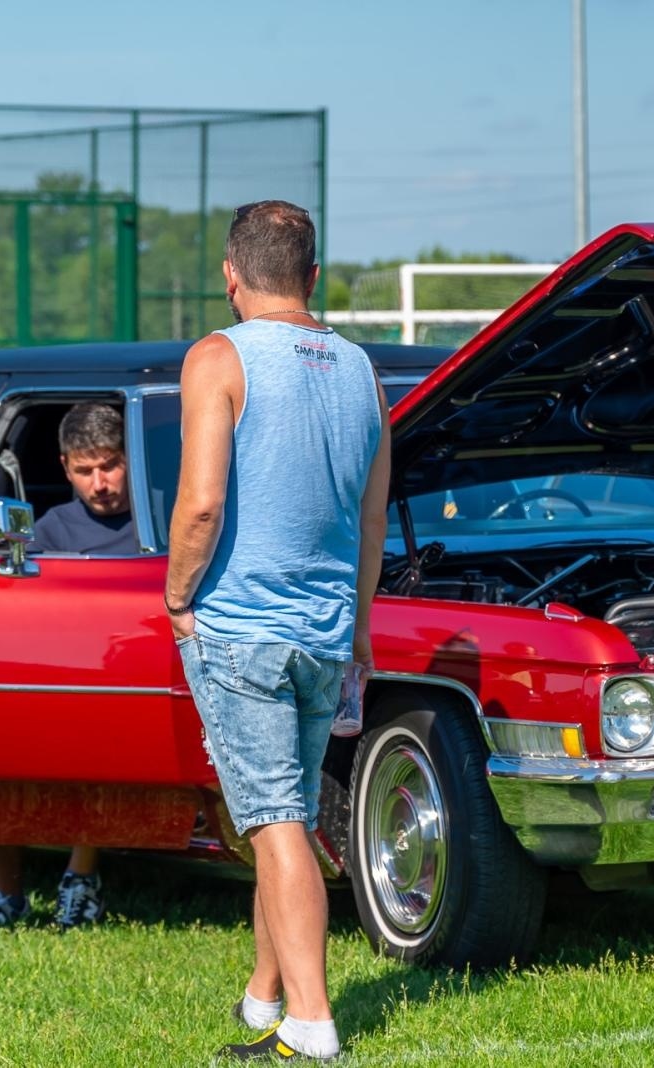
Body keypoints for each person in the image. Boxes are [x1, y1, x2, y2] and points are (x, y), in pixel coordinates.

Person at [166, 200, 388, 1063]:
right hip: (327, 630)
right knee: (283, 811)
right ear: (314, 276)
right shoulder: (364, 371)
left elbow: (201, 503)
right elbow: (372, 522)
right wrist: (361, 630)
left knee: (270, 821)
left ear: (230, 276)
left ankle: (311, 1024)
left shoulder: (217, 357)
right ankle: (264, 998)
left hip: (241, 628)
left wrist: (179, 595)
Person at [0, 401, 138, 931]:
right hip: (59, 671)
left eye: (110, 465)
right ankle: (5, 895)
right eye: (85, 471)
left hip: (121, 679)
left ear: (130, 460)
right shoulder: (51, 528)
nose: (100, 482)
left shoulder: (163, 519)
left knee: (104, 736)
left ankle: (79, 879)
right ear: (65, 468)